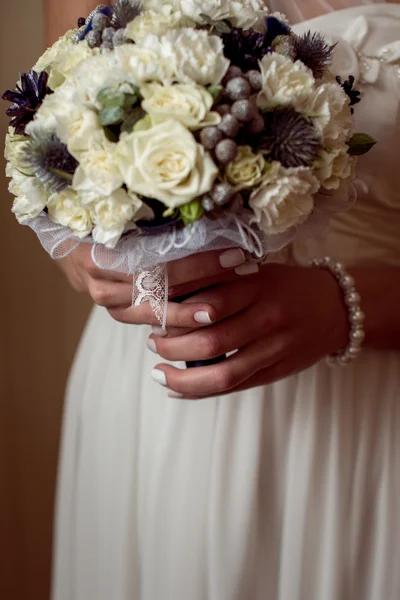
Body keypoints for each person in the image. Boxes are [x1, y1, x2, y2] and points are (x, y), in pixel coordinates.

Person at [48, 1, 400, 599]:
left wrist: (346, 307)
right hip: (153, 396)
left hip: (369, 421)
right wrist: (87, 257)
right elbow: (54, 156)